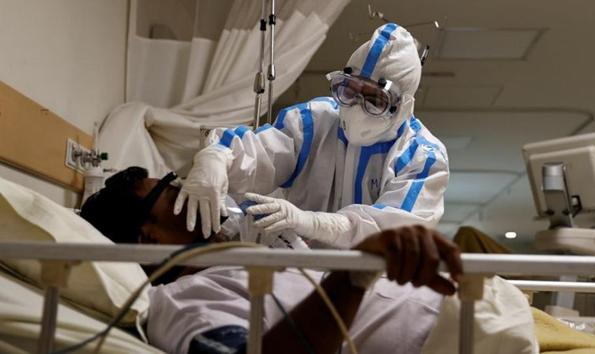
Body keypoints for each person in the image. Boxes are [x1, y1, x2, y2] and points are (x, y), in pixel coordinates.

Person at [81, 167, 463, 354]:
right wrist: (353, 275)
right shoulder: (181, 302)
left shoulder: (236, 263)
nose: (184, 185)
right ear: (150, 237)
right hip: (458, 339)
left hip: (472, 313)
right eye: (170, 188)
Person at [175, 23, 449, 248]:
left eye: (374, 100)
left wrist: (312, 223)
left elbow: (393, 233)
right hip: (290, 276)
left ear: (402, 105)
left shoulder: (422, 157)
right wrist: (218, 156)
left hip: (369, 295)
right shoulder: (314, 122)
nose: (355, 106)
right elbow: (262, 155)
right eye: (349, 90)